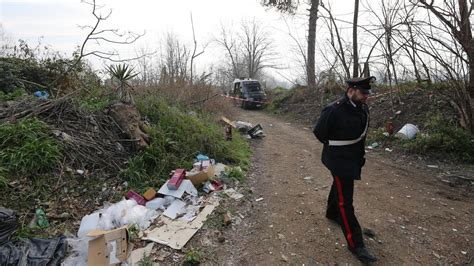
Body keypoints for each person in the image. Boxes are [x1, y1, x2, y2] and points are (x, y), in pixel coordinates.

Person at [313, 76, 377, 263]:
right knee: (345, 202)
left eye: (367, 93)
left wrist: (360, 157)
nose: (366, 96)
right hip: (339, 161)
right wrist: (336, 151)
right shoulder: (334, 109)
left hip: (353, 159)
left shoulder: (362, 108)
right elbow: (319, 132)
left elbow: (360, 136)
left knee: (340, 188)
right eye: (363, 93)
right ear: (351, 91)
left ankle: (331, 213)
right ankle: (356, 244)